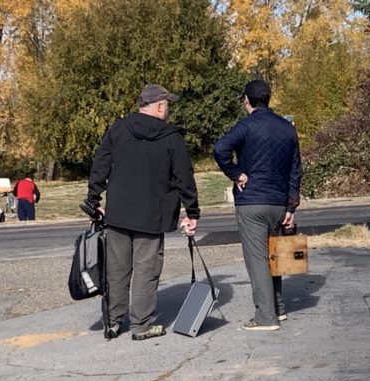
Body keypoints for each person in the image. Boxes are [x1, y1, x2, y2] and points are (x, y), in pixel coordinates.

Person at [84, 84, 200, 341]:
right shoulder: (171, 137)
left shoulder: (118, 129)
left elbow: (100, 165)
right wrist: (192, 211)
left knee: (117, 269)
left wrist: (94, 199)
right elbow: (184, 177)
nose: (168, 110)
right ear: (159, 106)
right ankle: (141, 324)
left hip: (118, 212)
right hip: (153, 215)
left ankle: (113, 321)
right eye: (167, 105)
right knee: (146, 270)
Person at [213, 79, 302, 331]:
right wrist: (291, 207)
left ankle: (265, 317)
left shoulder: (246, 126)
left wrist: (235, 173)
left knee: (257, 259)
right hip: (278, 203)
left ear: (247, 100)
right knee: (275, 254)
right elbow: (296, 170)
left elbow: (220, 149)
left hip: (252, 201)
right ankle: (279, 308)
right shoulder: (288, 129)